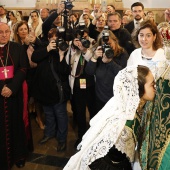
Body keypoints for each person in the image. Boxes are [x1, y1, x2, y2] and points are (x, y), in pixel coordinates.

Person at [64, 65, 156, 170]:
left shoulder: (129, 105)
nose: (155, 88)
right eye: (152, 85)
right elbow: (98, 159)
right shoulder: (122, 126)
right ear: (138, 89)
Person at [127, 20, 169, 170]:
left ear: (154, 37)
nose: (144, 39)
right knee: (138, 137)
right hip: (138, 104)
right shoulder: (134, 55)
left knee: (151, 138)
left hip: (156, 104)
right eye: (141, 35)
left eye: (148, 35)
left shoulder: (163, 55)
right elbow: (128, 79)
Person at [31, 27, 70, 152]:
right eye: (52, 39)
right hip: (44, 91)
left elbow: (64, 72)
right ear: (48, 39)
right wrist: (47, 49)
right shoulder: (43, 48)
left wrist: (61, 55)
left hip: (57, 92)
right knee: (48, 114)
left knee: (61, 115)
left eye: (57, 39)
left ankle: (62, 139)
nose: (55, 42)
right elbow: (34, 58)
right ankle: (49, 133)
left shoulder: (62, 50)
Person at [0, 22, 28, 169]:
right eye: (0, 32)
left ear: (11, 32)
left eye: (6, 32)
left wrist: (11, 87)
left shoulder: (17, 48)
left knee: (16, 125)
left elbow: (23, 68)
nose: (4, 35)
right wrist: (1, 88)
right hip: (0, 95)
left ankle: (19, 156)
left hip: (14, 95)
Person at [65, 31, 96, 148]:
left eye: (84, 37)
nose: (82, 41)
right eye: (79, 38)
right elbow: (68, 63)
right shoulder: (72, 49)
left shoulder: (92, 45)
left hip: (90, 85)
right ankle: (81, 136)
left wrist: (84, 50)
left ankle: (93, 136)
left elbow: (92, 59)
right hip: (77, 85)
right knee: (80, 113)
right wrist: (72, 48)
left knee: (93, 111)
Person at [86, 30, 129, 113]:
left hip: (116, 100)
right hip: (100, 98)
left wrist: (110, 62)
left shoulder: (122, 54)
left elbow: (124, 75)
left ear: (115, 41)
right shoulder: (99, 55)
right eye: (104, 45)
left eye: (109, 44)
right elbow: (89, 72)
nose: (107, 48)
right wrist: (94, 58)